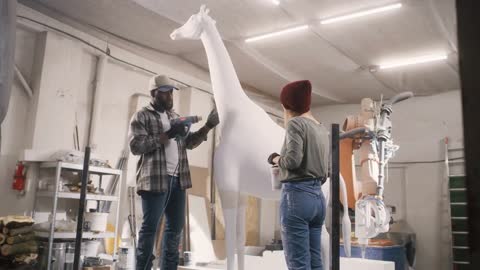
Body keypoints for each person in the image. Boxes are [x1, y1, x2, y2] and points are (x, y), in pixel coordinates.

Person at [129, 75, 219, 270]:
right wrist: (168, 134)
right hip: (154, 181)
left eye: (171, 92)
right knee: (150, 230)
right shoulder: (142, 115)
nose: (170, 95)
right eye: (165, 92)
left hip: (178, 180)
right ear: (154, 93)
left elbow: (189, 144)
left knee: (175, 231)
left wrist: (208, 126)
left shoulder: (174, 116)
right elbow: (136, 146)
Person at [267, 80, 329, 270]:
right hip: (318, 198)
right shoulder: (320, 128)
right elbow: (325, 171)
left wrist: (276, 159)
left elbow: (292, 161)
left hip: (297, 197)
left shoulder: (296, 124)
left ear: (288, 104)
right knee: (315, 260)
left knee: (298, 264)